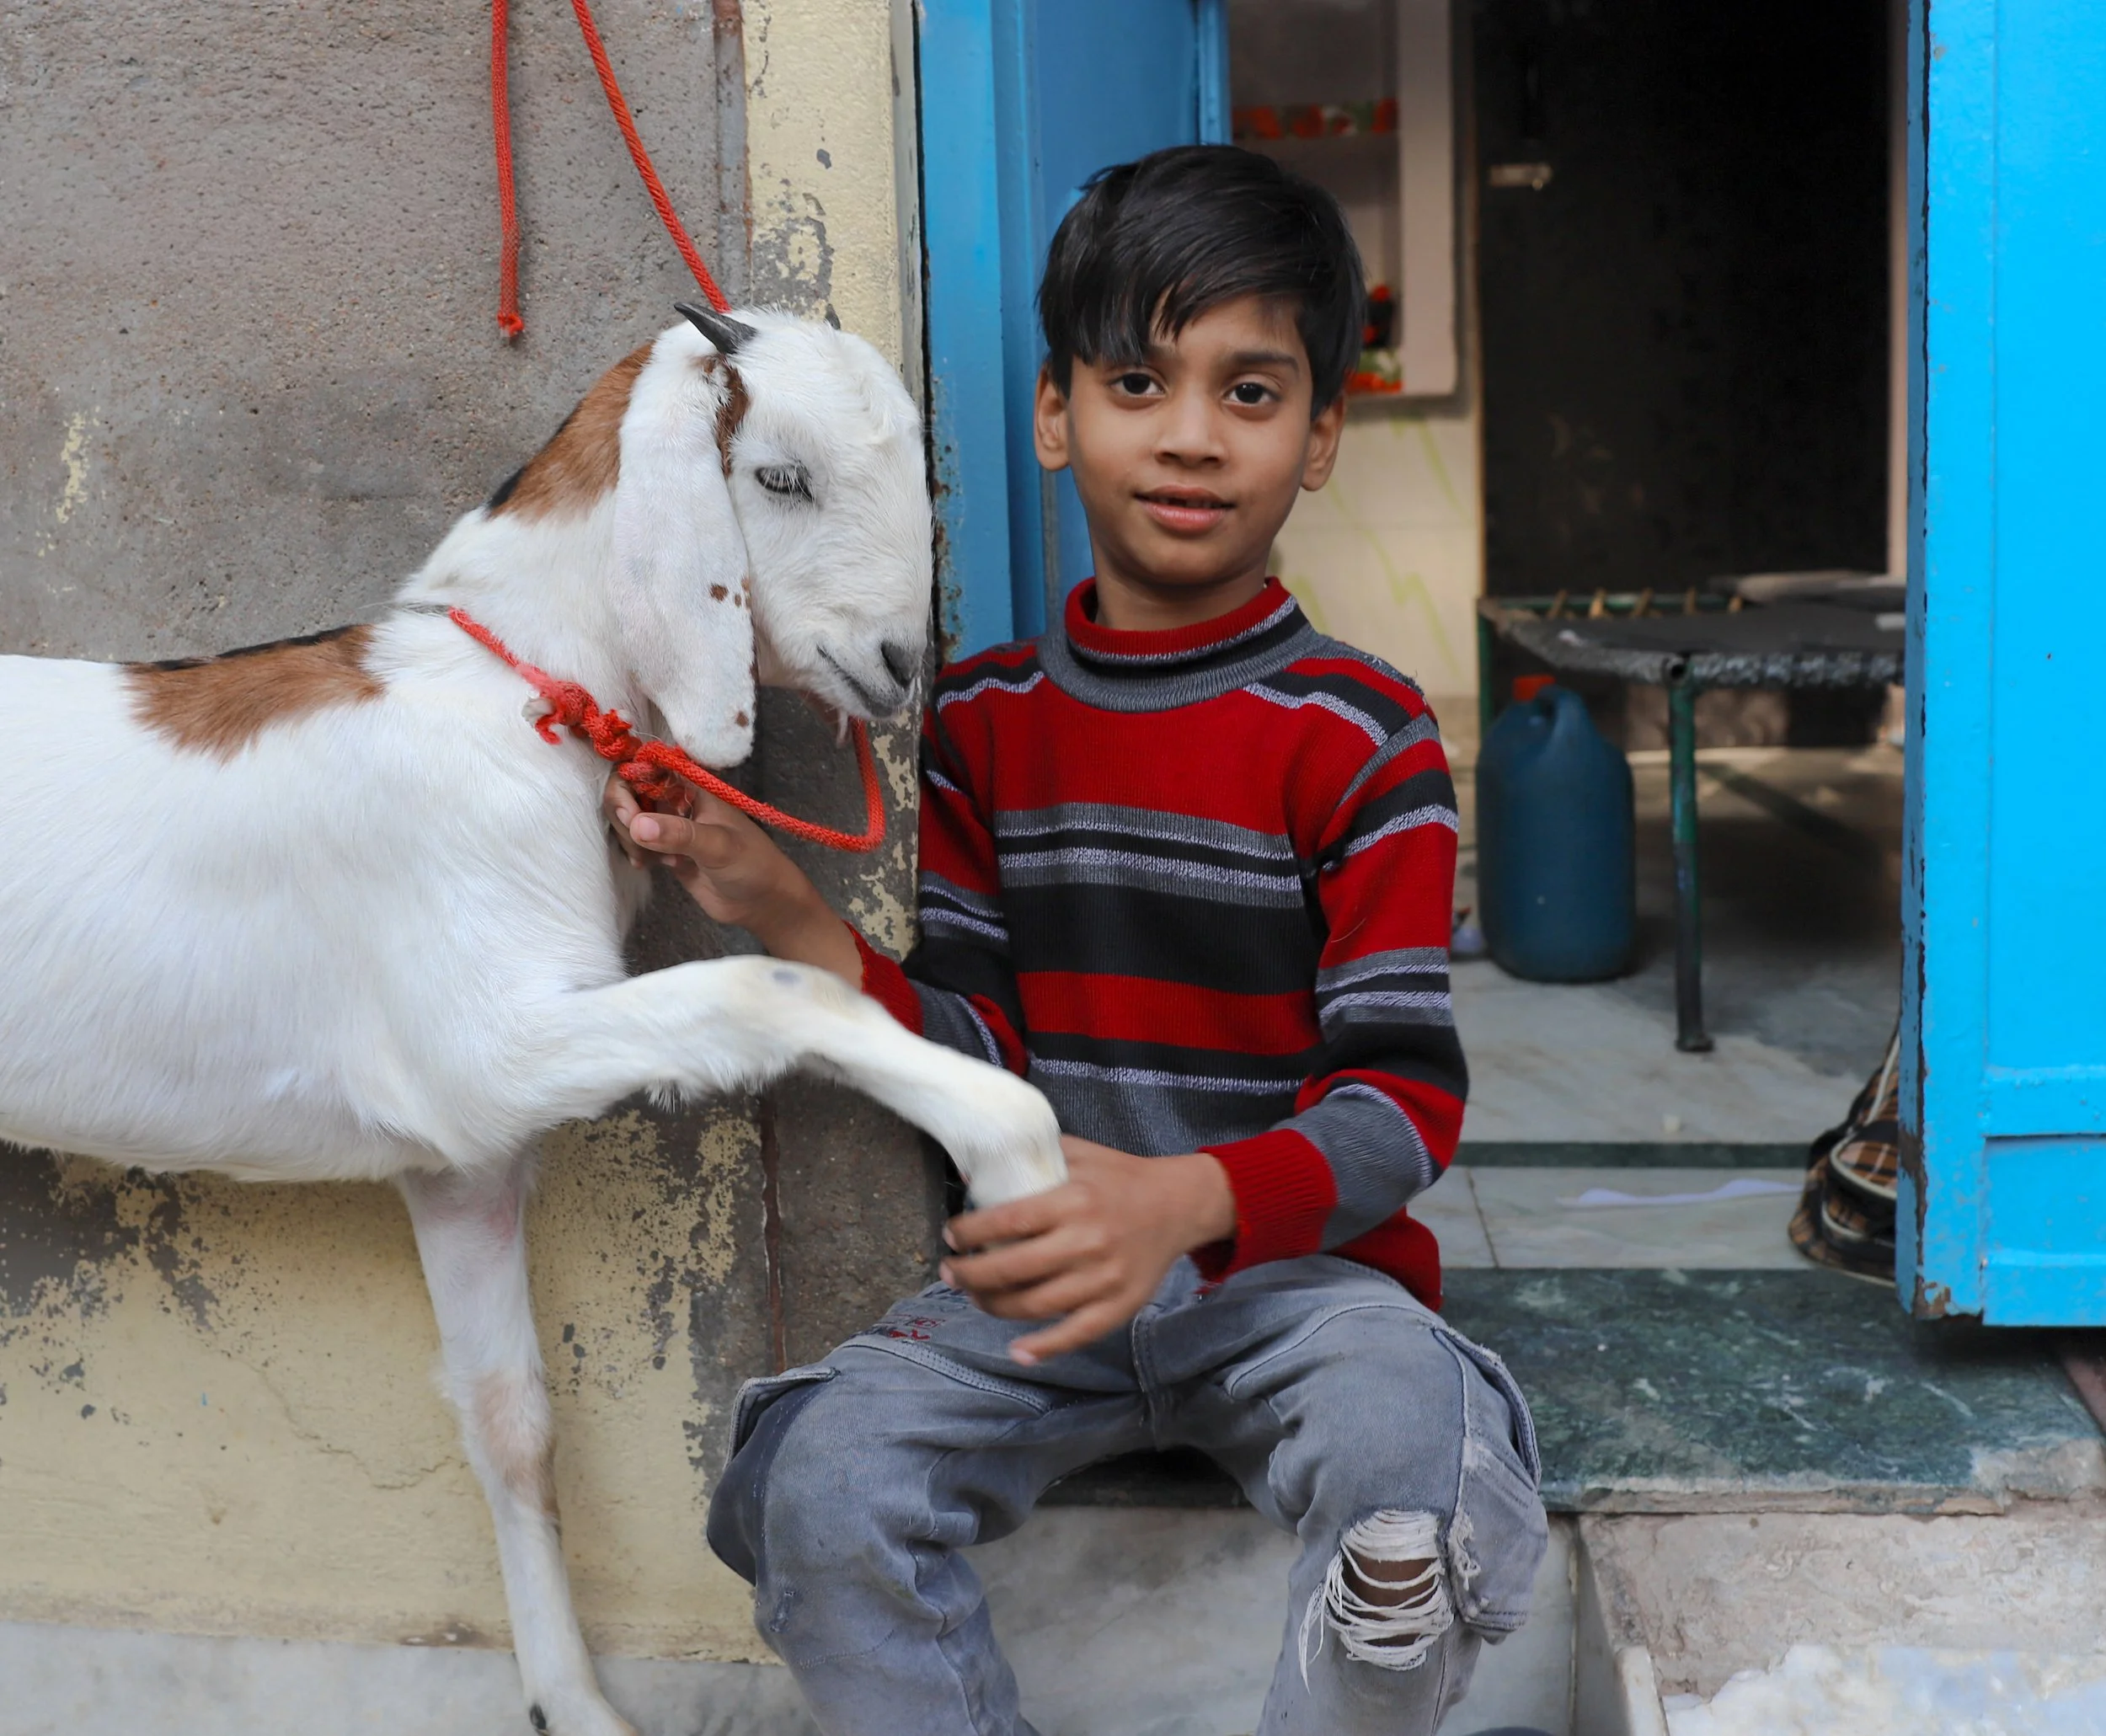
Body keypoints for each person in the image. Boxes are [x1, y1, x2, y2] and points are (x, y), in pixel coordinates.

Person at [609, 144, 1549, 1736]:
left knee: (1408, 1505)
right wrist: (787, 913)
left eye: (1252, 394)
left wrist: (1185, 1199)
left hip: (1304, 1296)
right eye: (1136, 380)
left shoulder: (1365, 735)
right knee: (818, 1485)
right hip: (1044, 1292)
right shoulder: (984, 720)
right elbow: (974, 1045)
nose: (1190, 435)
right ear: (1057, 415)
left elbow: (1403, 1109)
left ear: (1322, 437)